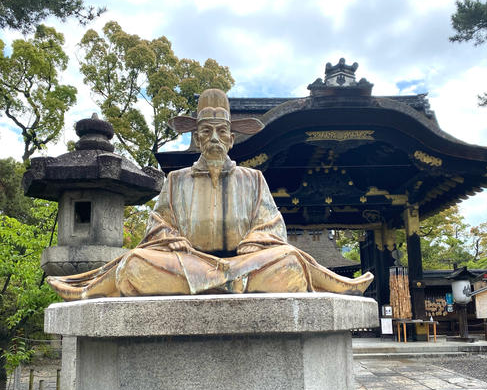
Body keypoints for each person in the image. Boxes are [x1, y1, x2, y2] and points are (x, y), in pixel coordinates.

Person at [47, 89, 373, 300]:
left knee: (287, 262)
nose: (214, 138)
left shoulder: (253, 179)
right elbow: (158, 225)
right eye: (206, 132)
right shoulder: (176, 181)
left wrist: (256, 240)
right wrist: (169, 236)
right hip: (190, 262)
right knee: (136, 263)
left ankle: (225, 278)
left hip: (246, 262)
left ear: (231, 138)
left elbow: (273, 227)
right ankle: (228, 281)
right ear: (197, 138)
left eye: (220, 132)